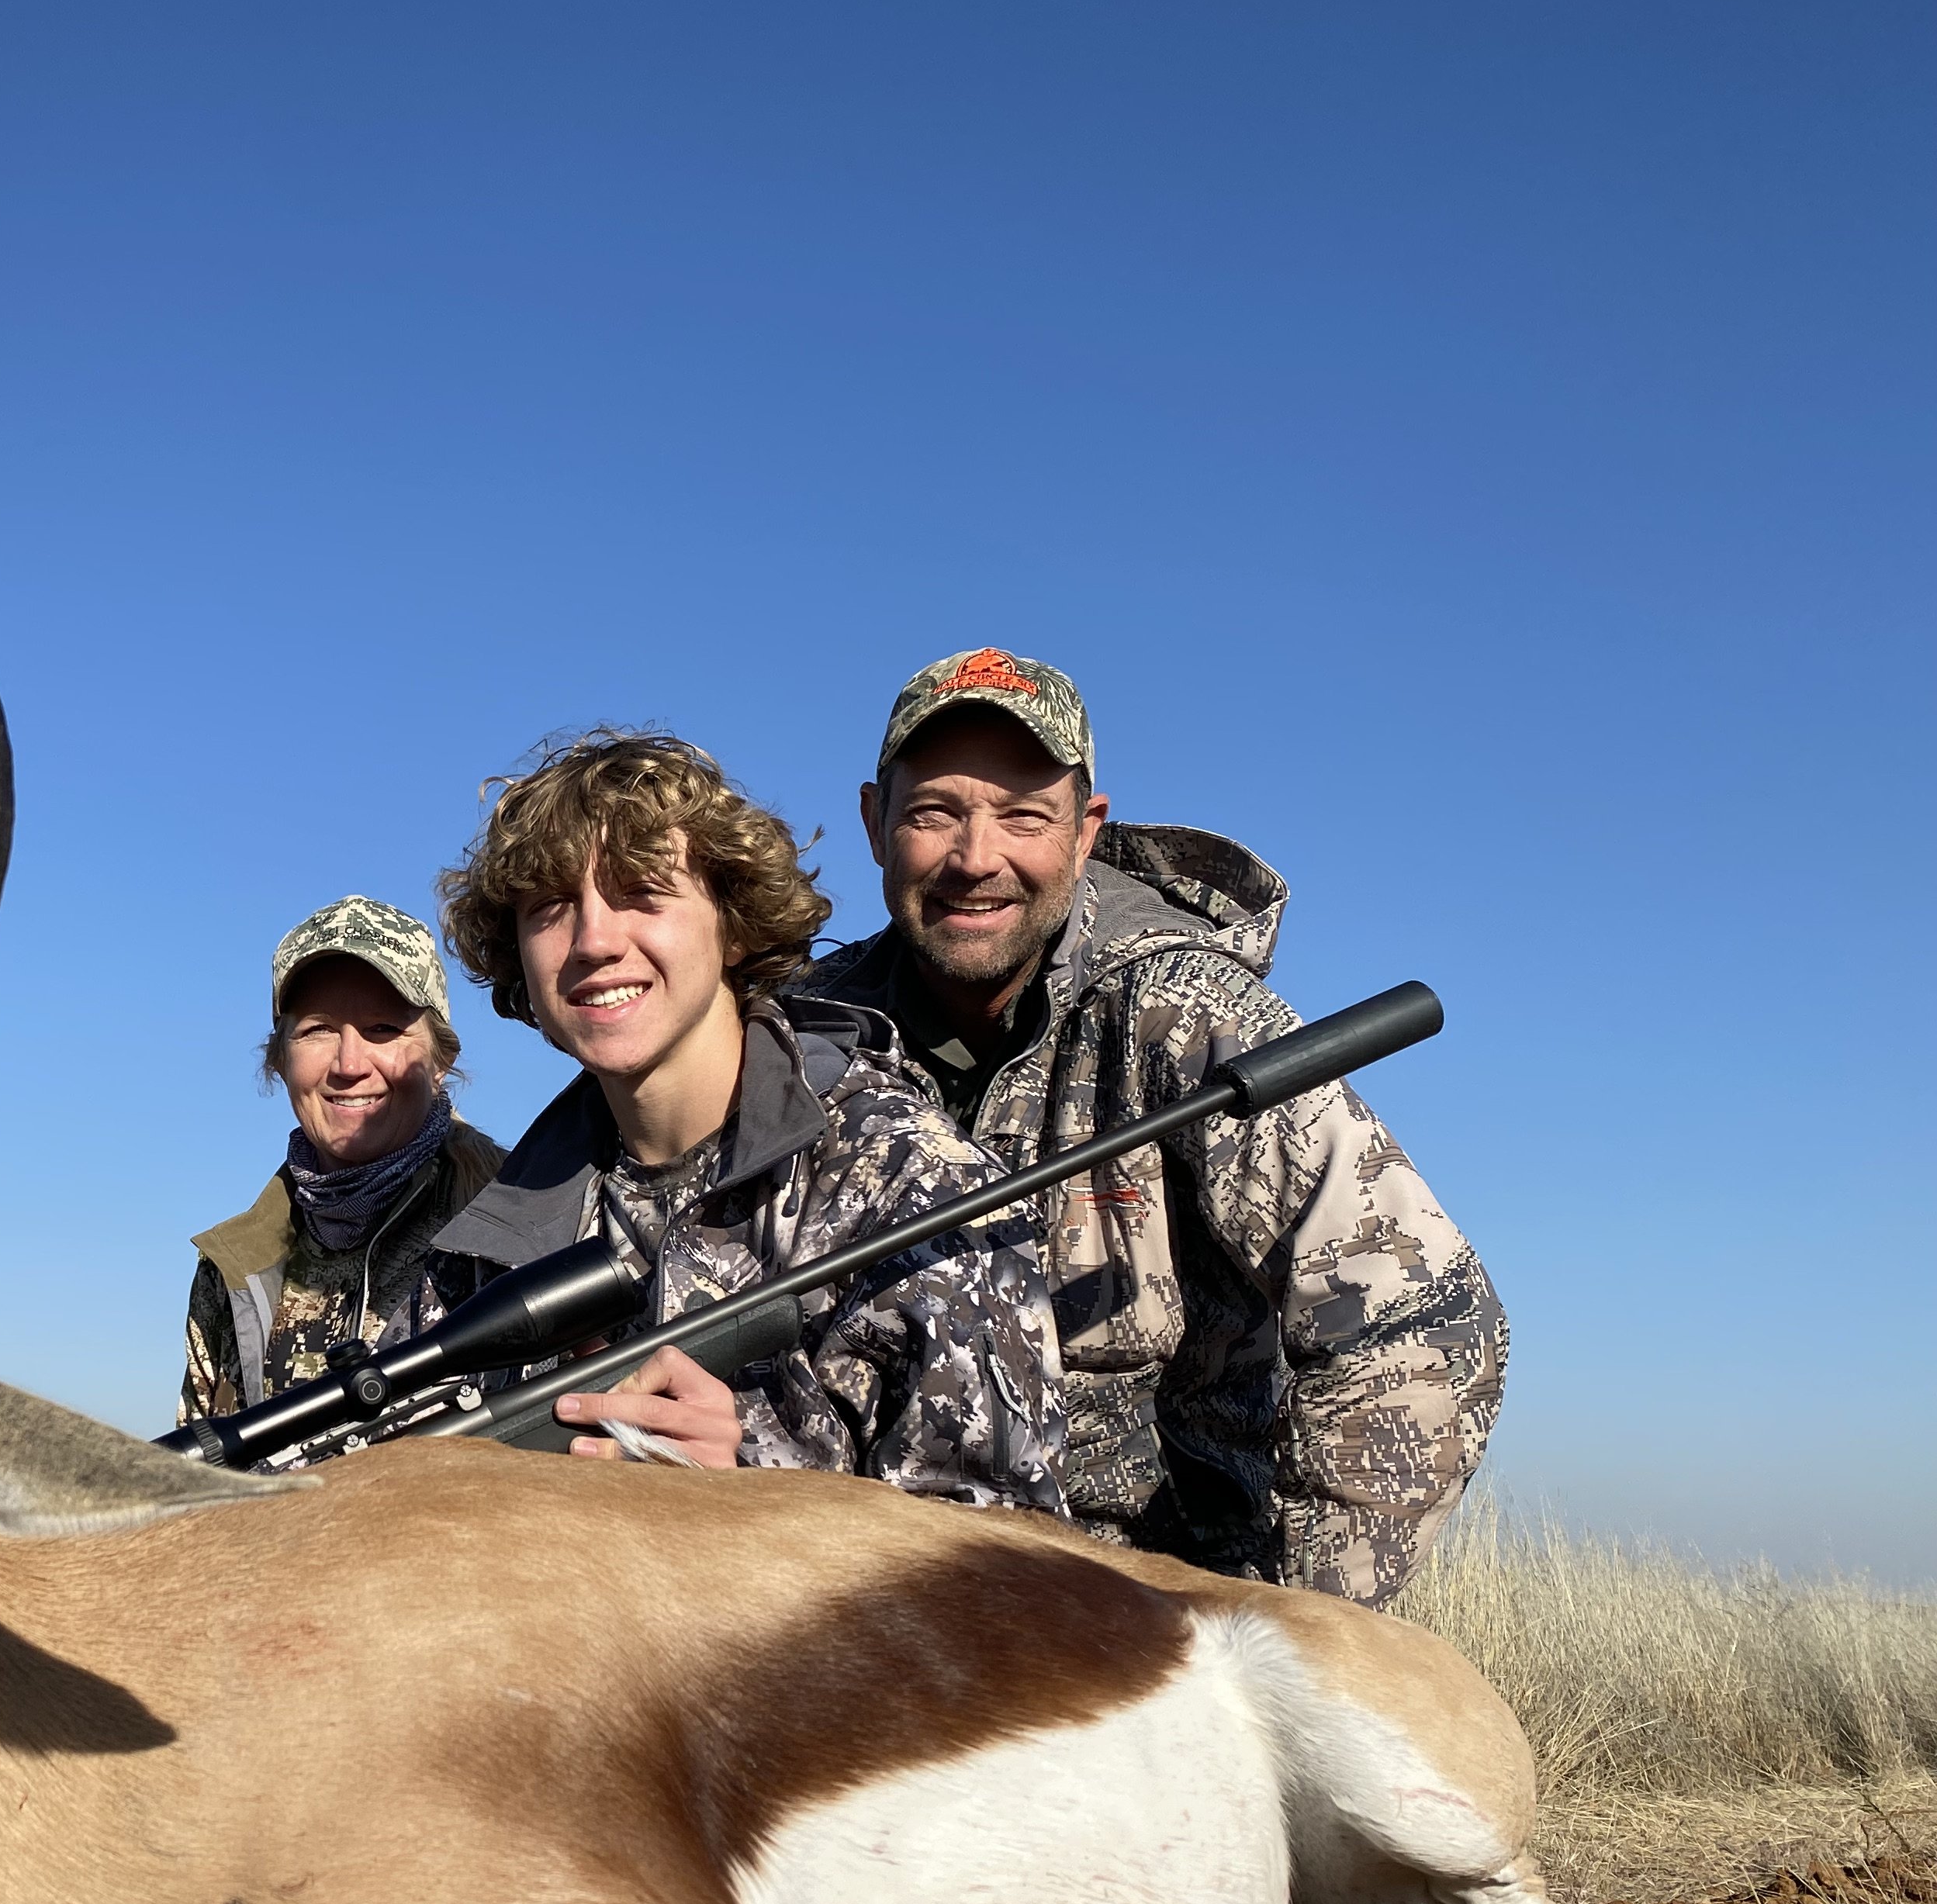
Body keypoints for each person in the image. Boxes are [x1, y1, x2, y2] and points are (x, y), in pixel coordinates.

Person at [794, 646, 1506, 1605]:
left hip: (1147, 1611)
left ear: (1087, 832)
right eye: (935, 812)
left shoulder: (1185, 1012)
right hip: (850, 1590)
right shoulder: (798, 1039)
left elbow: (1422, 1318)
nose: (975, 858)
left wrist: (1295, 1636)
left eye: (1023, 815)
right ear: (876, 823)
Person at [424, 731, 1065, 1507]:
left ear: (731, 922)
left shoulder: (917, 1183)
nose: (594, 941)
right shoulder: (485, 1246)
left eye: (641, 892)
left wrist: (750, 1498)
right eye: (550, 908)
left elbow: (1005, 1568)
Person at [180, 897, 505, 1448]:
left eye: (383, 1027)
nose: (350, 1065)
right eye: (317, 1030)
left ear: (441, 1059)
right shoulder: (232, 1269)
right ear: (278, 1059)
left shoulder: (521, 1224)